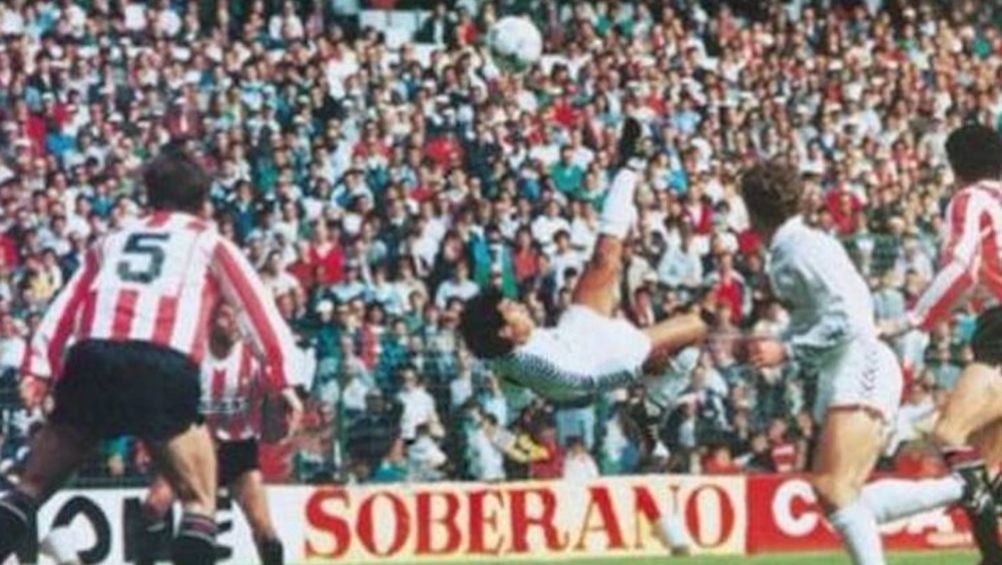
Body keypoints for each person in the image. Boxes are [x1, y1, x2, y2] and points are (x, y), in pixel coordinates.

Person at [1, 148, 300, 565]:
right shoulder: (209, 242)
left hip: (93, 358)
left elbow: (64, 305)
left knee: (30, 488)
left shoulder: (111, 241)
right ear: (202, 202)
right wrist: (283, 379)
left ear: (150, 196)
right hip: (161, 363)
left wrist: (38, 367)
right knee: (198, 502)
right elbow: (257, 308)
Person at [740, 161, 971, 565]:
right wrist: (785, 340)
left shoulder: (798, 251)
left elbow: (848, 319)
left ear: (752, 210)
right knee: (843, 495)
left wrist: (787, 350)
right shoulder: (802, 245)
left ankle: (961, 487)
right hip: (848, 367)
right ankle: (962, 487)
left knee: (833, 488)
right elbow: (824, 315)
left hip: (859, 363)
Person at [460, 119, 707, 404]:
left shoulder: (505, 360)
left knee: (604, 257)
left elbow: (516, 399)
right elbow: (584, 383)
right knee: (696, 325)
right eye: (511, 309)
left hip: (573, 334)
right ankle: (661, 394)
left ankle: (632, 164)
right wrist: (639, 368)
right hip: (608, 358)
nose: (520, 306)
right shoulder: (542, 368)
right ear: (505, 332)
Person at [882, 123, 1002, 560]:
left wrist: (913, 319)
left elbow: (961, 269)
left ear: (955, 167)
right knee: (986, 461)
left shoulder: (970, 200)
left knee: (949, 432)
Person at [136, 302, 303, 565]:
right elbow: (162, 399)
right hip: (192, 450)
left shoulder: (253, 357)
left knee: (264, 529)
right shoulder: (193, 354)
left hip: (238, 450)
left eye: (237, 316)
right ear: (211, 320)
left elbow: (277, 384)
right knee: (153, 505)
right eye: (226, 316)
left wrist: (284, 398)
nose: (234, 323)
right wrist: (145, 445)